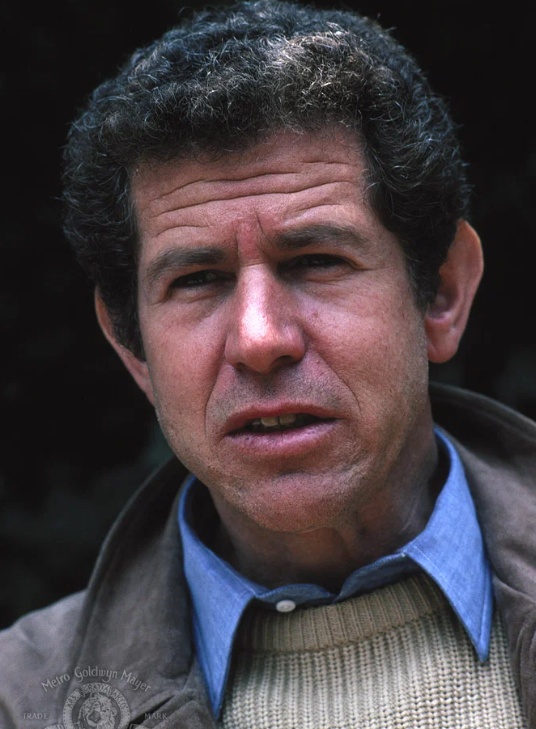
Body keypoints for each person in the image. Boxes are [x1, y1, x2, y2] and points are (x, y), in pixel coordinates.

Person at [1, 0, 535, 727]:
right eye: (198, 280)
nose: (259, 338)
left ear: (440, 293)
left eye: (316, 260)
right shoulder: (22, 703)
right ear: (132, 346)